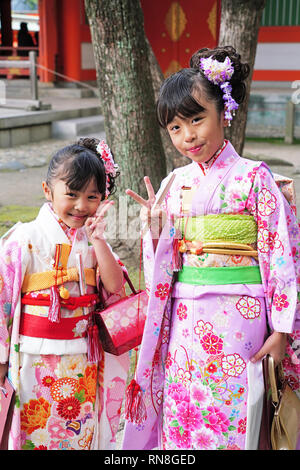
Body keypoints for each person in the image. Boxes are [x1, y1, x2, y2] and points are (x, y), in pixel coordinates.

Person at [122, 46, 300, 450]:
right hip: (186, 317)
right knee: (186, 410)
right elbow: (161, 268)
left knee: (240, 409)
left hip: (243, 316)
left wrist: (282, 331)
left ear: (225, 111)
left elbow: (281, 255)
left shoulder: (254, 178)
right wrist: (154, 233)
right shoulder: (173, 184)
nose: (188, 136)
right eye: (175, 128)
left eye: (197, 119)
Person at [0, 137, 130, 450]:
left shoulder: (95, 242)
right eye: (71, 194)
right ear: (48, 190)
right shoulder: (25, 238)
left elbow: (114, 288)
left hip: (82, 359)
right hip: (32, 358)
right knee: (37, 432)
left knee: (78, 431)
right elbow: (3, 299)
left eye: (92, 196)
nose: (81, 206)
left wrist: (99, 239)